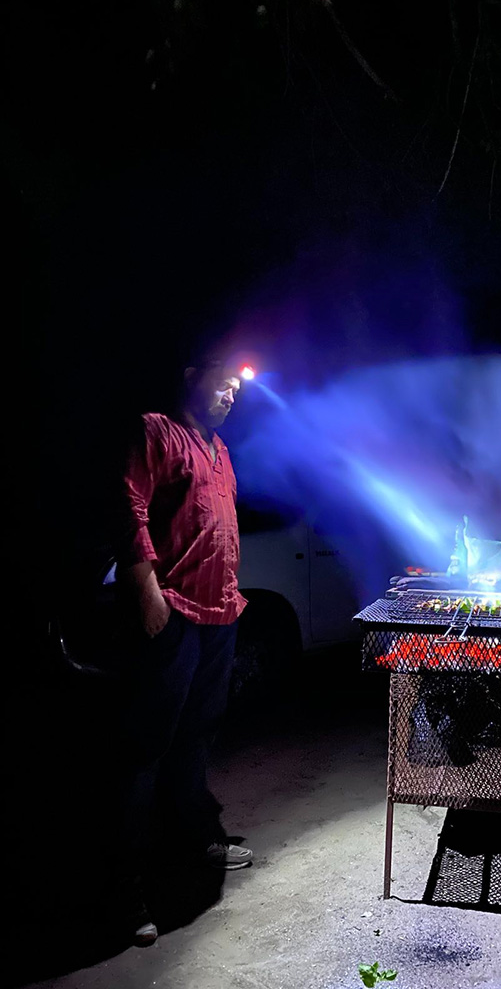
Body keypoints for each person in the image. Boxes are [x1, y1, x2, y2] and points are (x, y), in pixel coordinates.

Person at [114, 355, 252, 946]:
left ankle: (192, 841)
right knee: (147, 746)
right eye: (222, 383)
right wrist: (148, 595)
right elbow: (129, 509)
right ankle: (125, 888)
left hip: (220, 614)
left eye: (236, 389)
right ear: (193, 375)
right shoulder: (157, 431)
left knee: (198, 734)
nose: (230, 395)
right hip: (174, 612)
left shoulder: (220, 451)